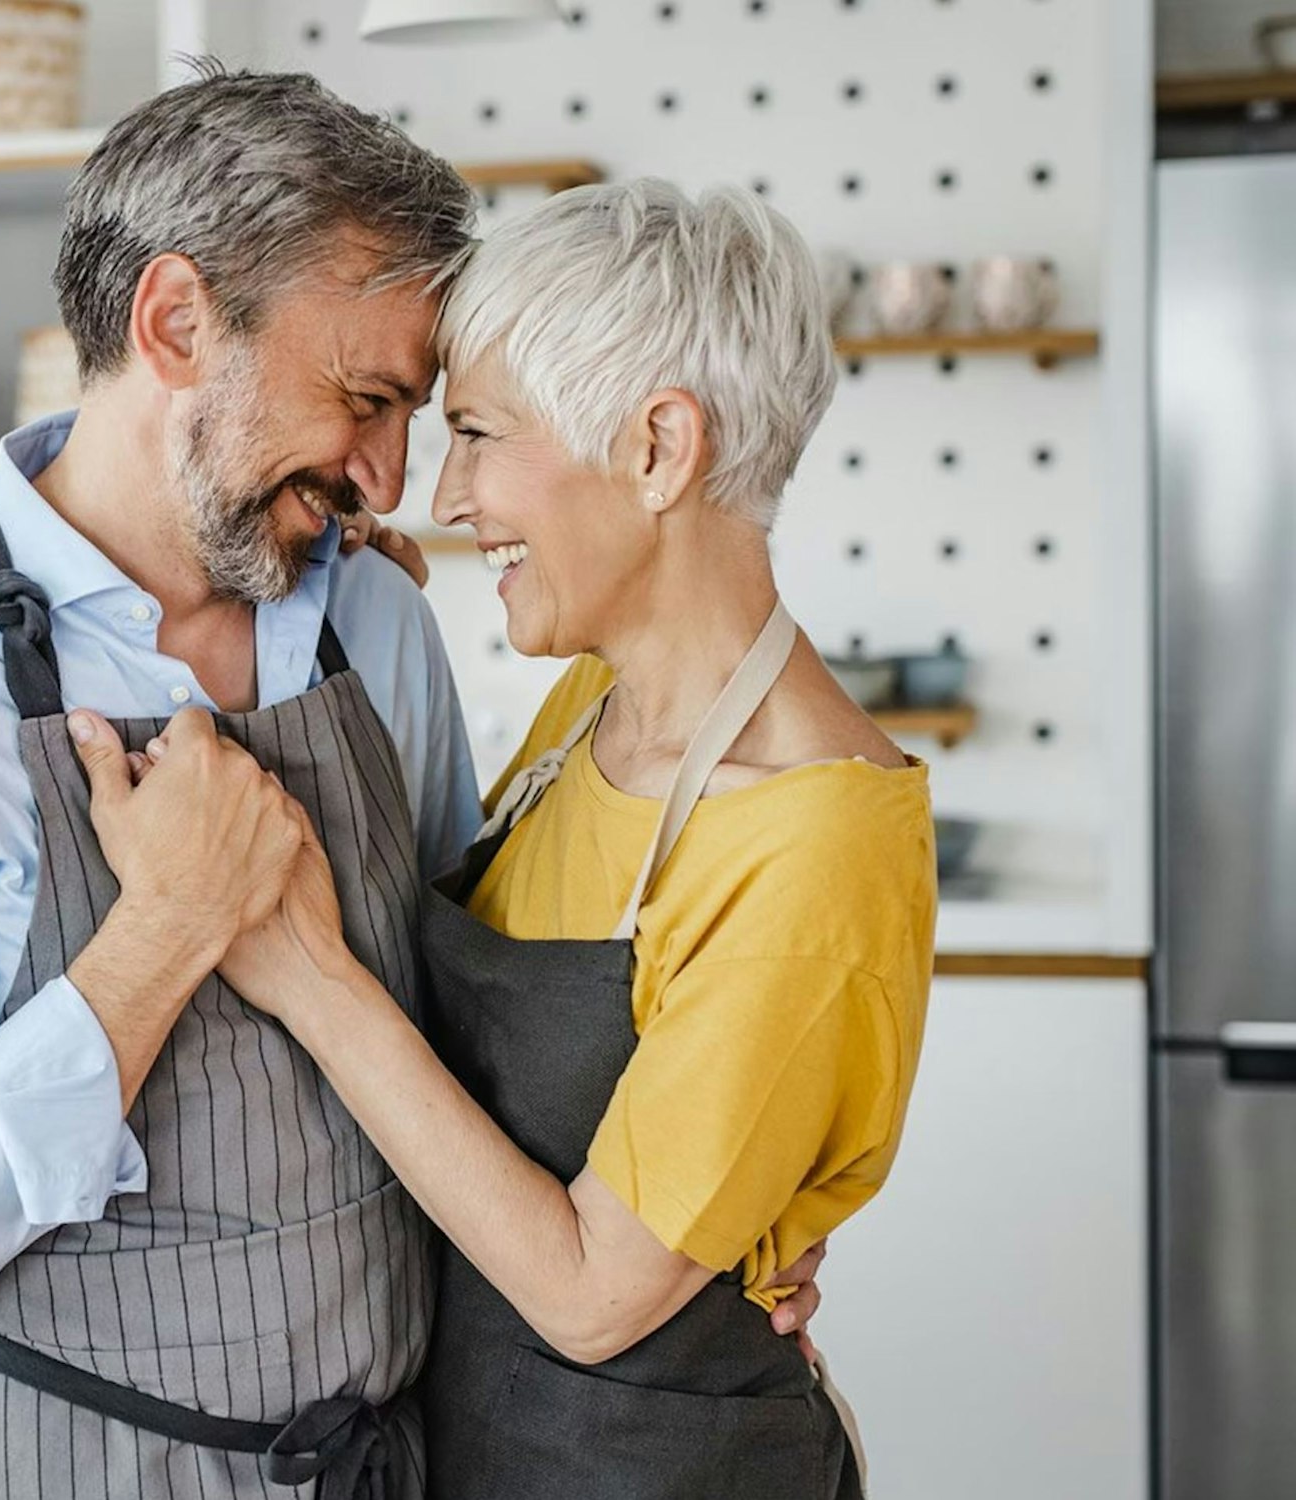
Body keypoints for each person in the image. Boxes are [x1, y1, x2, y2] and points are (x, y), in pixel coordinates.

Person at [0, 71, 821, 1498]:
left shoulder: (375, 626)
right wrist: (165, 933)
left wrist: (709, 1229)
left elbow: (463, 1036)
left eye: (415, 416)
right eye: (361, 399)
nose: (388, 475)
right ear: (173, 322)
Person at [104, 180, 935, 1499]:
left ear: (660, 449)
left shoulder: (813, 836)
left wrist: (294, 958)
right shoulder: (594, 706)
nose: (447, 492)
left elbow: (601, 1295)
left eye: (481, 434)